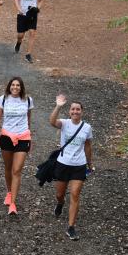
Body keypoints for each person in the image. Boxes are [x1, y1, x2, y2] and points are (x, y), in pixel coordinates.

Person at [49, 94, 94, 241]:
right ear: (69, 111)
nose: (75, 111)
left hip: (79, 165)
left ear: (82, 111)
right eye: (73, 109)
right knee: (60, 194)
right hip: (63, 164)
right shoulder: (64, 123)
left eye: (78, 109)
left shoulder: (87, 127)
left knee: (75, 194)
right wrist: (58, 106)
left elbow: (88, 146)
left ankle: (71, 227)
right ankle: (60, 203)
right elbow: (51, 121)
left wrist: (90, 163)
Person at [0, 77, 34, 215]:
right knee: (8, 168)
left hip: (23, 137)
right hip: (6, 136)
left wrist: (30, 137)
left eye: (18, 85)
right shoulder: (3, 99)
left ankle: (13, 204)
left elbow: (28, 119)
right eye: (13, 85)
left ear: (21, 87)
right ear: (9, 86)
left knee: (17, 170)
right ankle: (9, 192)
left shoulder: (27, 100)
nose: (15, 87)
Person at [14, 0, 43, 64]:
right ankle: (18, 43)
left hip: (32, 15)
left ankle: (28, 54)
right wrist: (19, 9)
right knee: (20, 35)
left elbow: (41, 0)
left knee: (32, 32)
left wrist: (37, 8)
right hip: (22, 14)